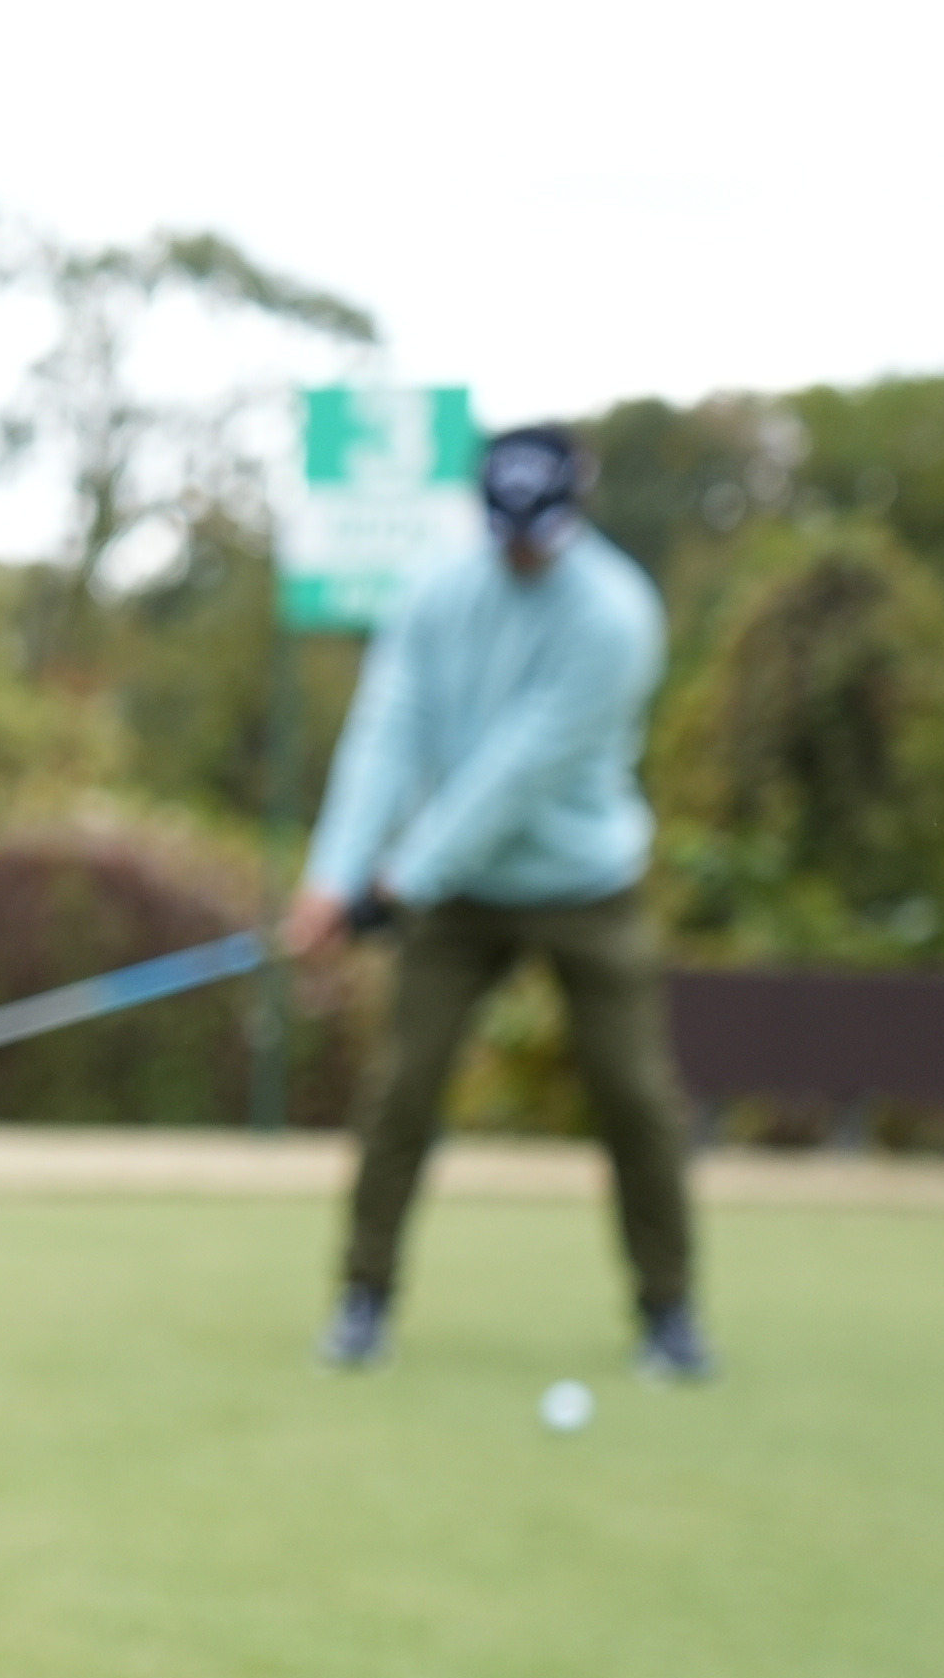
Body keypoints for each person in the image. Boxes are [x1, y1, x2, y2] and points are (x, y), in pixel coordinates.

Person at [277, 424, 708, 1380]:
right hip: (462, 895)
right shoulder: (436, 588)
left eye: (538, 530)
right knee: (402, 1089)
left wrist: (398, 883)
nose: (518, 550)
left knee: (635, 1096)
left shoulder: (616, 615)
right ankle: (362, 1302)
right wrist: (333, 877)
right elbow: (387, 732)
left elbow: (516, 773)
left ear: (577, 512)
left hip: (586, 884)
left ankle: (669, 1315)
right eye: (503, 528)